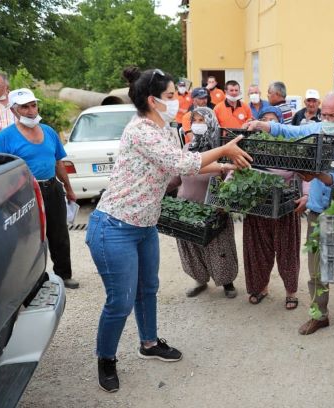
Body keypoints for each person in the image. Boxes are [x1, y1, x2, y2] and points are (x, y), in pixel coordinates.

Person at [85, 67, 251, 393]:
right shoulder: (140, 131)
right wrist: (226, 149)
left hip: (145, 226)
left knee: (148, 288)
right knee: (120, 300)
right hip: (115, 227)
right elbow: (181, 166)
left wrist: (223, 165)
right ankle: (106, 359)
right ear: (153, 100)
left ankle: (148, 343)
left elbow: (184, 158)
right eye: (172, 96)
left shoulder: (164, 129)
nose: (178, 101)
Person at [246, 91, 334, 334]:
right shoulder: (317, 129)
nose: (328, 120)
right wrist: (262, 124)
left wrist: (317, 175)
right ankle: (319, 314)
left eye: (333, 116)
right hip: (317, 211)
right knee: (315, 270)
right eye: (325, 114)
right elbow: (291, 132)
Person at [0, 88, 79, 290]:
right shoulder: (5, 138)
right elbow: (1, 171)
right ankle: (33, 280)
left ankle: (64, 275)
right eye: (25, 107)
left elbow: (58, 162)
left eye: (33, 105)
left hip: (52, 187)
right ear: (14, 110)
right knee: (30, 237)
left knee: (59, 233)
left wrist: (68, 188)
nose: (31, 111)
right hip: (26, 193)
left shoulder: (48, 131)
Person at [169, 107, 239, 298]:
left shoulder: (222, 150)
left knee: (219, 247)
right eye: (195, 120)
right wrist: (159, 190)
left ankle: (227, 282)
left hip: (214, 208)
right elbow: (176, 177)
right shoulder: (187, 149)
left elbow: (232, 176)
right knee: (191, 246)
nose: (198, 124)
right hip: (186, 207)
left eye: (202, 120)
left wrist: (222, 201)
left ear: (212, 122)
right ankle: (199, 279)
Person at [243, 106, 306, 309]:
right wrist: (228, 184)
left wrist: (306, 194)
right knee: (257, 250)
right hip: (256, 206)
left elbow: (305, 172)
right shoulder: (250, 146)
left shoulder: (291, 146)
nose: (267, 125)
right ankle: (261, 288)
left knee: (287, 250)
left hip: (285, 206)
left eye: (272, 121)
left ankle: (291, 292)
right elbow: (237, 168)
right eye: (264, 120)